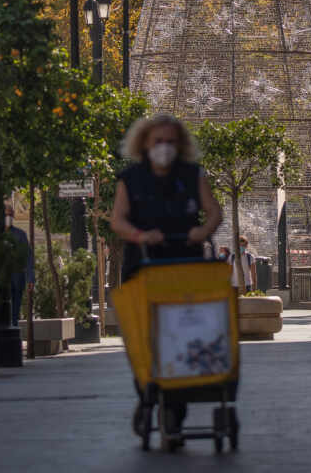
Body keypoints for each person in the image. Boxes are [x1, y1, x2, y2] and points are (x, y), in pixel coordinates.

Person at [110, 114, 224, 434]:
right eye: (158, 141)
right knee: (143, 337)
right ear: (145, 144)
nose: (164, 147)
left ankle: (175, 406)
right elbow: (117, 220)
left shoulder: (192, 175)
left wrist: (203, 230)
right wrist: (140, 236)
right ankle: (146, 394)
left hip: (184, 264)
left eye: (171, 141)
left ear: (181, 144)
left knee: (182, 335)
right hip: (143, 266)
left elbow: (214, 211)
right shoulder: (130, 179)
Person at [6, 204, 34, 327]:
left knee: (15, 309)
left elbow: (28, 257)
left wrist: (30, 278)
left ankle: (14, 329)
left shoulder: (20, 234)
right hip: (2, 278)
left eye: (10, 215)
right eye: (6, 214)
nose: (8, 217)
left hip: (17, 277)